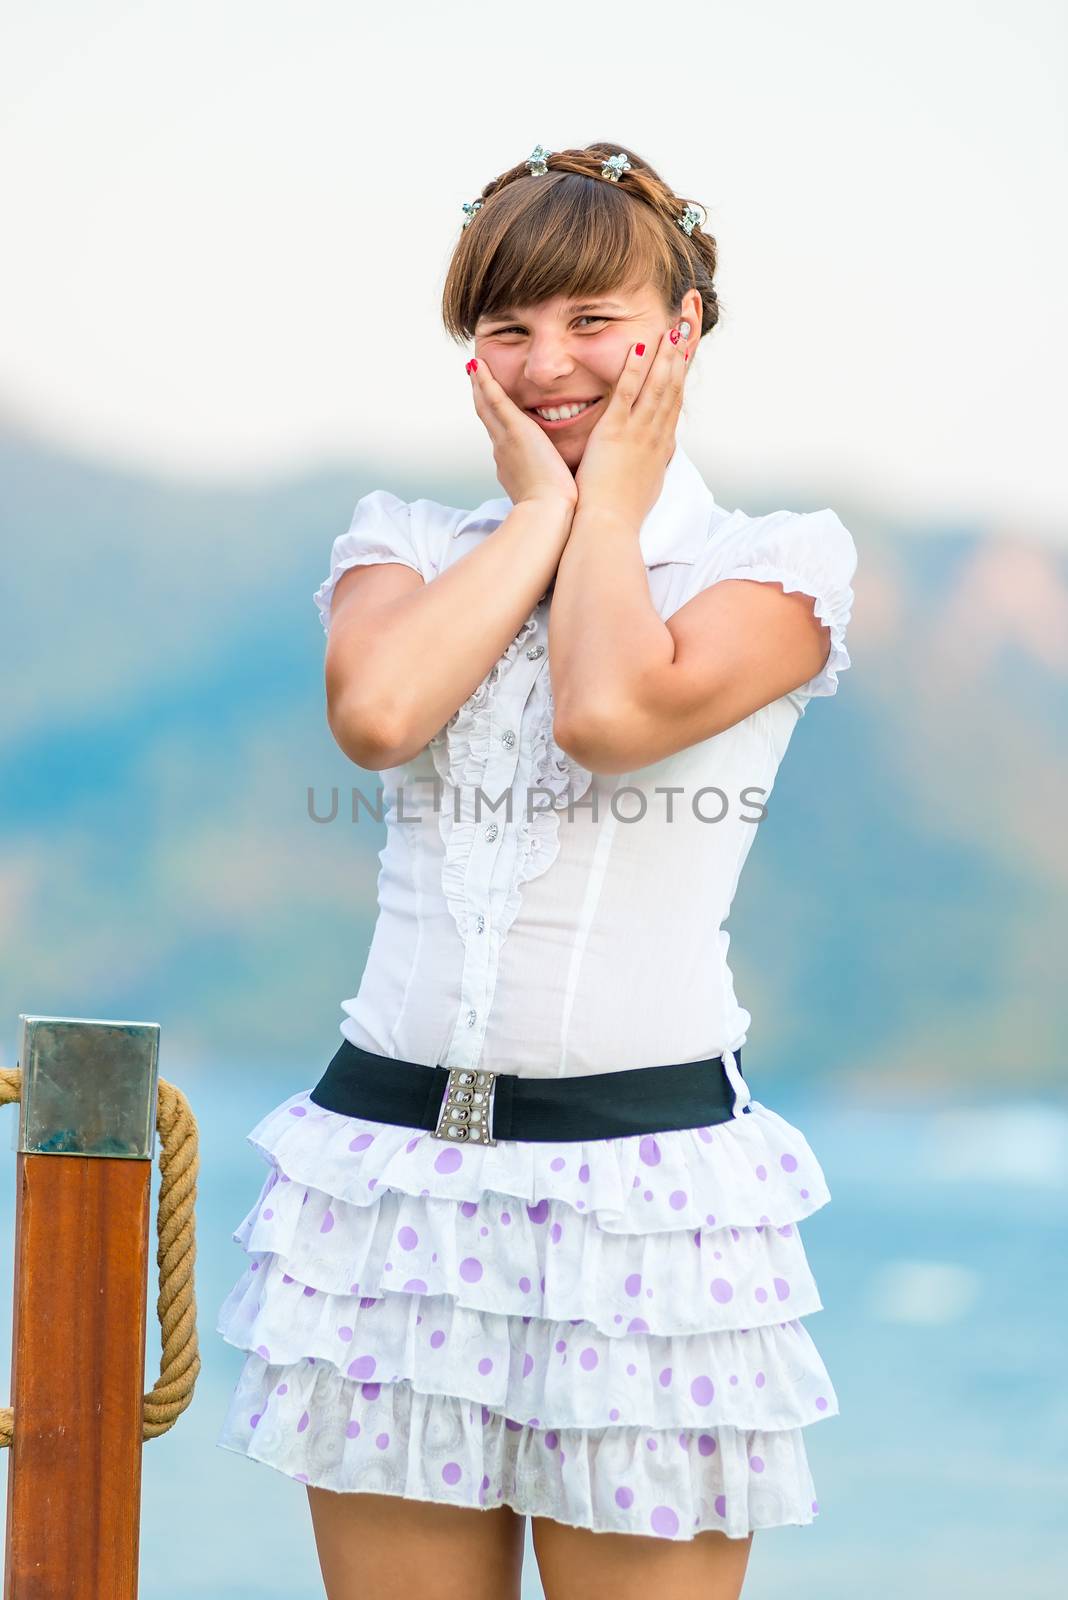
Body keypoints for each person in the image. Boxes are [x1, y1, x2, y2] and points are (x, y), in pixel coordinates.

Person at [216, 140, 858, 1600]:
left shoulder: (777, 567)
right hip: (388, 1194)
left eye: (592, 321)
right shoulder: (404, 545)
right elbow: (380, 718)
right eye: (505, 328)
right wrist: (539, 518)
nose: (548, 361)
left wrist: (607, 515)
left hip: (650, 1202)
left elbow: (608, 714)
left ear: (679, 329)